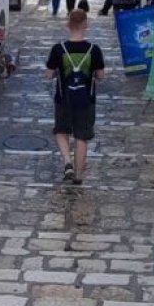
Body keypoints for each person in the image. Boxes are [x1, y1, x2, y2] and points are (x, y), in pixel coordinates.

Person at [45, 9, 105, 185]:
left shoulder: (58, 49)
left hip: (64, 98)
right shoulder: (94, 50)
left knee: (61, 131)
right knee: (81, 137)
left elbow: (48, 75)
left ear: (68, 25)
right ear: (86, 25)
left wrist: (59, 72)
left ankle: (67, 162)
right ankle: (78, 176)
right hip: (86, 100)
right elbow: (101, 76)